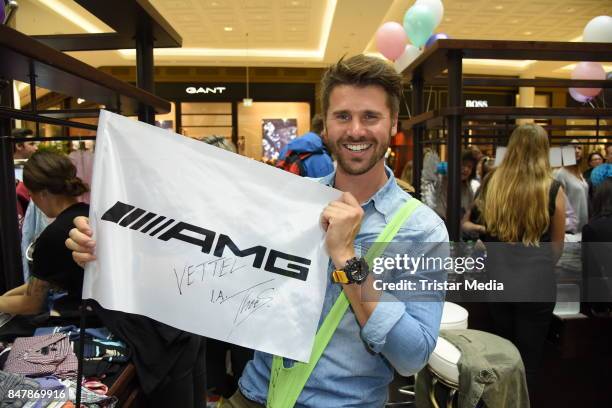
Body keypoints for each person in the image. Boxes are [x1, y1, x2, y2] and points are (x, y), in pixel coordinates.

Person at [67, 54, 448, 407]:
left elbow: (411, 356)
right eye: (343, 116)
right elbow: (203, 263)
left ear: (393, 123)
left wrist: (347, 259)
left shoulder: (421, 230)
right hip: (253, 394)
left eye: (371, 116)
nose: (356, 130)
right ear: (326, 125)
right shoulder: (289, 203)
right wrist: (114, 245)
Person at [476, 124, 565, 399]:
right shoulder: (552, 189)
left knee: (500, 355)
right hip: (536, 284)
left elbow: (484, 227)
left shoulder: (493, 182)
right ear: (543, 151)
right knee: (528, 361)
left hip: (499, 279)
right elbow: (558, 247)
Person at [0, 151, 89, 315]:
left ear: (42, 193)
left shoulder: (52, 237)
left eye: (31, 194)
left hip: (81, 321)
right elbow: (42, 281)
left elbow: (31, 304)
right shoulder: (90, 214)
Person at [554, 142, 588, 232]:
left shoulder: (580, 173)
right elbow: (557, 204)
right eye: (573, 148)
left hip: (583, 225)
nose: (577, 151)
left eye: (579, 148)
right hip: (569, 229)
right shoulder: (560, 173)